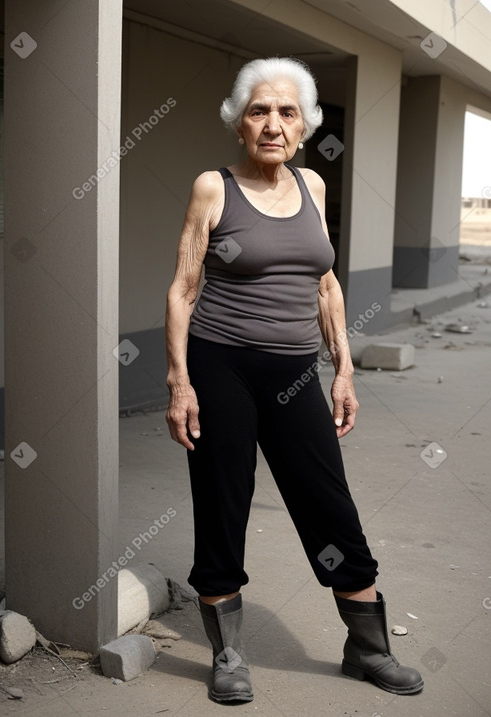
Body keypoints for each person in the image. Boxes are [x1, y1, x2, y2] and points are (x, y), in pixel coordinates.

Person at [165, 56, 423, 704]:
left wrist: (344, 370)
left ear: (305, 125)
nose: (272, 123)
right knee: (223, 498)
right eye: (259, 110)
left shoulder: (313, 186)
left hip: (294, 368)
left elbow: (325, 282)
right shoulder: (213, 187)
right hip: (220, 363)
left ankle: (367, 646)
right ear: (238, 122)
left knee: (326, 499)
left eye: (286, 112)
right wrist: (180, 382)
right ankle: (227, 651)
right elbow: (184, 287)